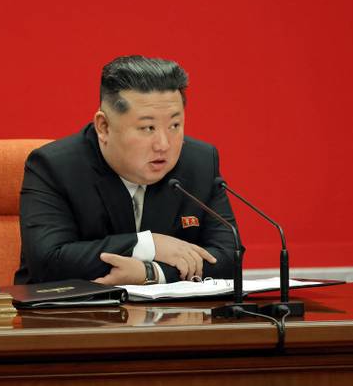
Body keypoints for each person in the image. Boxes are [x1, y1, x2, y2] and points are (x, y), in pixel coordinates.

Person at [13, 55, 241, 285]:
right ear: (104, 127)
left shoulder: (199, 163)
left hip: (173, 318)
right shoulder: (55, 167)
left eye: (174, 125)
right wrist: (150, 245)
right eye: (147, 128)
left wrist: (151, 273)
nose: (163, 144)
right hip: (68, 316)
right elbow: (48, 261)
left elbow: (230, 257)